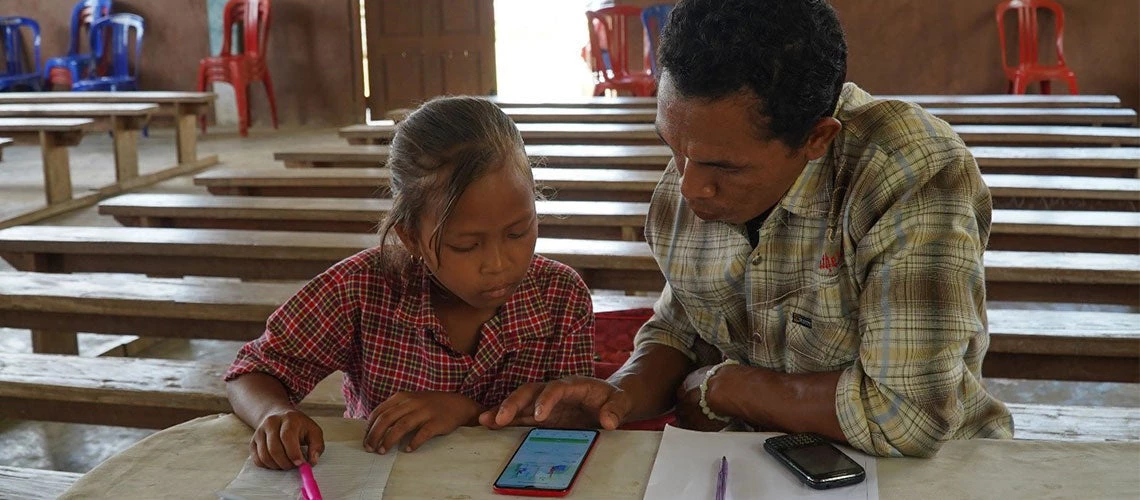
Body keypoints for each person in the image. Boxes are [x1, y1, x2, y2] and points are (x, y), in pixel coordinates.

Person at [482, 0, 1013, 458]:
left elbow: (909, 416)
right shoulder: (698, 168)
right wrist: (620, 392)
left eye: (724, 167)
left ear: (816, 139)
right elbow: (681, 327)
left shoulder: (904, 172)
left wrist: (728, 388)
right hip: (751, 462)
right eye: (673, 147)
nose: (689, 188)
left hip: (930, 472)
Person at [225, 96, 595, 470]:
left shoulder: (559, 297)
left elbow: (573, 420)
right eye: (465, 245)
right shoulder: (361, 288)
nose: (498, 264)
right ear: (411, 237)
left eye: (518, 232)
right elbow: (252, 371)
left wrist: (469, 413)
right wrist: (274, 414)